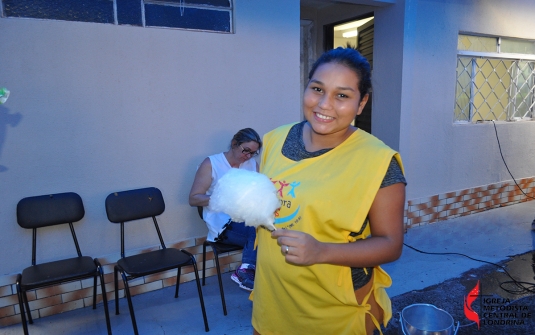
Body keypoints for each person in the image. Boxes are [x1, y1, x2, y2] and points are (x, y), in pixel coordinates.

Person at [251, 47, 406, 335]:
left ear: (362, 103)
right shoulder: (274, 140)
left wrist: (321, 251)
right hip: (272, 299)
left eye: (342, 95)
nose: (324, 104)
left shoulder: (378, 161)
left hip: (334, 311)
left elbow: (390, 244)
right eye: (317, 89)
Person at [189, 128, 262, 291]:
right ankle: (246, 270)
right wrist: (224, 199)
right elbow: (194, 198)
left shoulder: (251, 164)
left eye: (253, 153)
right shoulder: (212, 164)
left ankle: (258, 274)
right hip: (223, 225)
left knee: (271, 229)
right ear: (234, 144)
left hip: (246, 220)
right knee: (258, 231)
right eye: (246, 151)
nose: (248, 156)